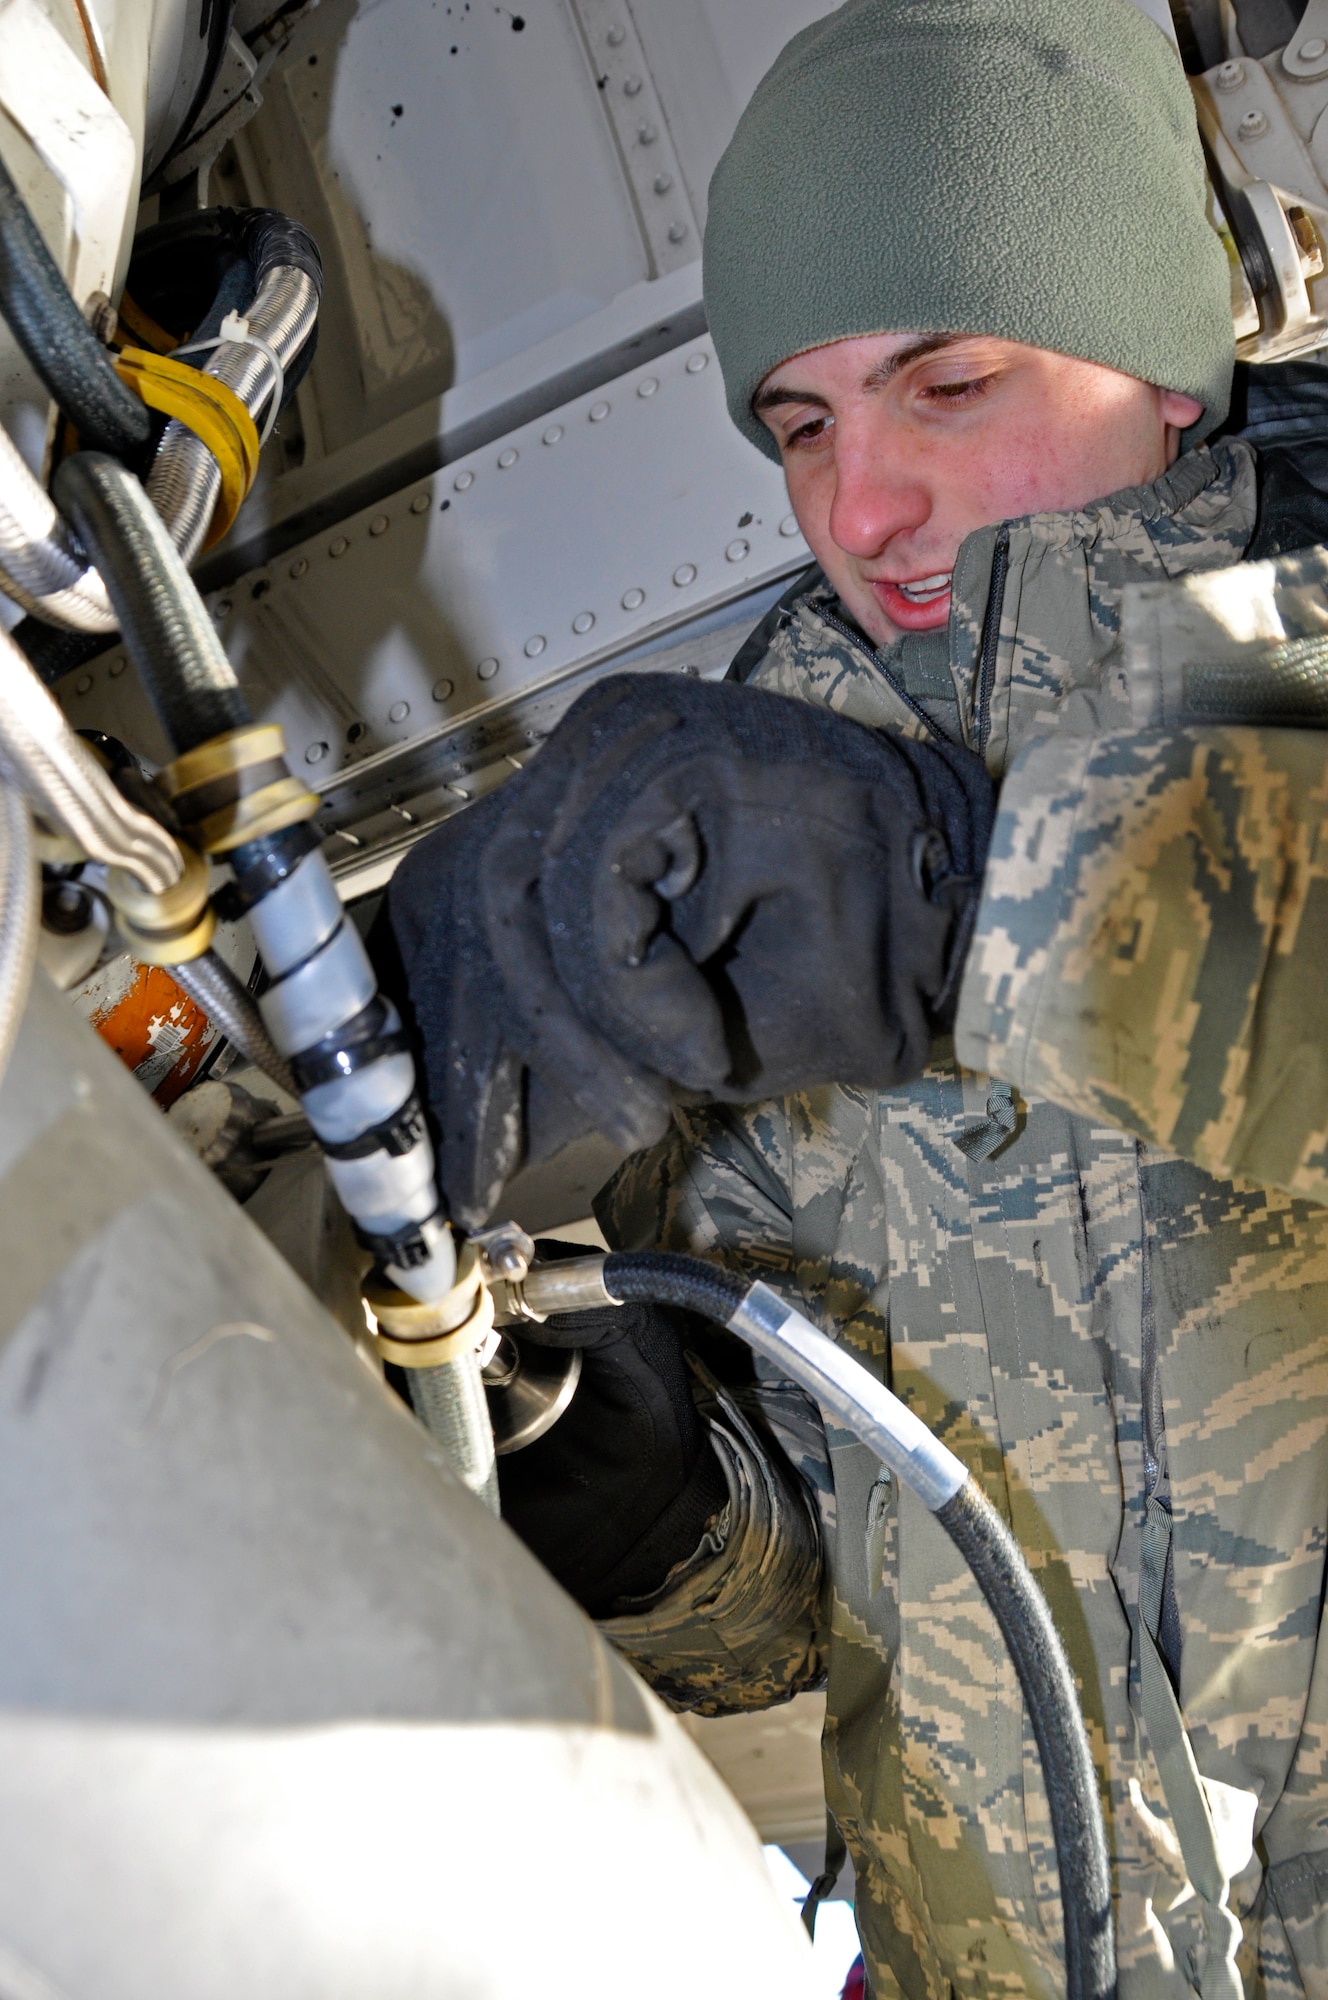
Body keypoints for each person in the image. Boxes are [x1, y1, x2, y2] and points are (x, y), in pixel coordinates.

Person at [380, 2, 1328, 1992]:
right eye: (798, 423)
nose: (856, 505)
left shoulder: (1285, 656)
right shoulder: (749, 777)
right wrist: (626, 1490)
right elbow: (821, 1593)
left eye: (948, 378)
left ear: (1161, 353)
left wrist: (979, 895)